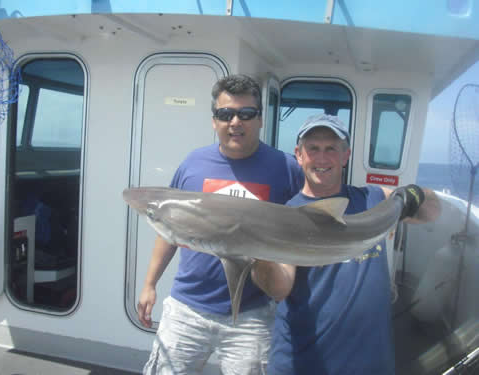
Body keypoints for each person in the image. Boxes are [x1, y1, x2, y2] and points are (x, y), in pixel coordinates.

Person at [138, 74, 303, 374]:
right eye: (225, 114)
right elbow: (169, 231)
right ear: (214, 121)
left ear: (260, 119)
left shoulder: (286, 168)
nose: (235, 122)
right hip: (187, 307)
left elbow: (307, 229)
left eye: (246, 113)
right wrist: (149, 284)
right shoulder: (192, 165)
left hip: (252, 315)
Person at [251, 114, 441, 375]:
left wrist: (412, 194)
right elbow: (279, 287)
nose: (321, 158)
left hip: (372, 363)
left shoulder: (373, 200)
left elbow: (432, 213)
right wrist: (258, 255)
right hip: (305, 364)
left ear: (346, 155)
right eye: (313, 149)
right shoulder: (289, 216)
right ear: (299, 154)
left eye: (331, 149)